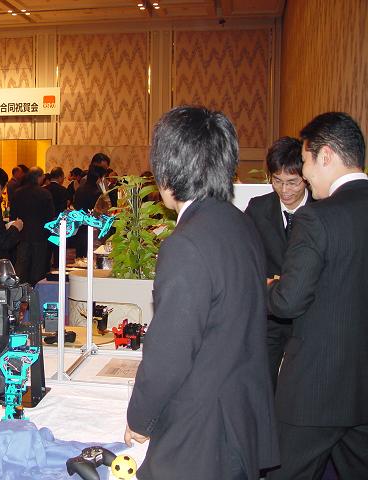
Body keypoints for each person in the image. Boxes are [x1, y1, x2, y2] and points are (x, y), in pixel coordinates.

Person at [125, 106, 279, 480]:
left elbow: (170, 352)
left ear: (167, 171)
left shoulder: (186, 243)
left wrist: (139, 419)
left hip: (202, 432)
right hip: (240, 414)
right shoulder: (240, 222)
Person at [266, 112, 368, 480]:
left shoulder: (316, 218)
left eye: (306, 161)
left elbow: (288, 301)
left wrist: (270, 287)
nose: (305, 174)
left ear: (325, 156)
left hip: (315, 390)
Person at [245, 136, 312, 390]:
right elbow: (246, 256)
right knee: (262, 384)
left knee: (301, 389)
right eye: (277, 181)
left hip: (308, 315)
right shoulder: (258, 208)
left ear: (306, 177)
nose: (285, 190)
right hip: (270, 316)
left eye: (293, 182)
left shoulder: (322, 209)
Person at [9, 167, 55, 285]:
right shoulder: (45, 193)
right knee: (38, 268)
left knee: (21, 266)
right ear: (39, 177)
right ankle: (36, 292)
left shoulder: (18, 192)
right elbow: (50, 216)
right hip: (40, 235)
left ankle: (17, 291)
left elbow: (12, 215)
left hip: (22, 234)